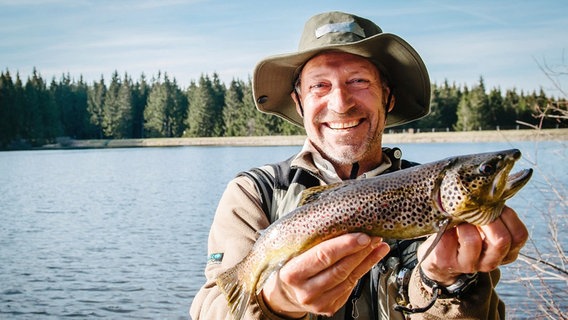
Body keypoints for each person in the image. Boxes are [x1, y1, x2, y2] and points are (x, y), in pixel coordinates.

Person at [190, 11, 528, 319]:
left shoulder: (436, 198)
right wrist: (276, 301)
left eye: (358, 81)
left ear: (388, 95)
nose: (340, 103)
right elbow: (211, 309)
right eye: (319, 85)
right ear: (299, 102)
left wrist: (448, 285)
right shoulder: (256, 193)